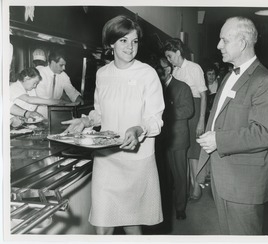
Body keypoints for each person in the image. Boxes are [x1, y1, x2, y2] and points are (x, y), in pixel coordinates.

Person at [61, 15, 165, 235]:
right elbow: (100, 112)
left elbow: (155, 118)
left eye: (134, 41)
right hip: (107, 159)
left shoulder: (147, 74)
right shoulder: (102, 74)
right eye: (123, 40)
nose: (130, 47)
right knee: (103, 223)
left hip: (137, 160)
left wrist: (138, 129)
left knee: (131, 223)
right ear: (110, 43)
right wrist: (87, 120)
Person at [197, 16, 268, 235]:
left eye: (224, 40)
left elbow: (266, 133)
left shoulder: (266, 81)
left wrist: (218, 139)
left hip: (244, 185)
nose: (218, 46)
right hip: (223, 177)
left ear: (242, 43)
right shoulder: (228, 76)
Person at [163, 38, 207, 201]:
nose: (169, 60)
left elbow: (203, 95)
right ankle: (187, 185)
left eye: (170, 56)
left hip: (195, 110)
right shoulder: (175, 71)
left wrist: (202, 120)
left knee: (194, 152)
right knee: (185, 152)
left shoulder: (194, 68)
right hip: (181, 114)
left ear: (178, 52)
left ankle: (197, 186)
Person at [156, 57, 194, 220]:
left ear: (169, 69)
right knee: (163, 175)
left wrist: (166, 113)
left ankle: (180, 207)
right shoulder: (156, 86)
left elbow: (188, 110)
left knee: (179, 175)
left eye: (162, 69)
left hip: (177, 138)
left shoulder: (182, 87)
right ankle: (165, 207)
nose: (159, 72)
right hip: (161, 138)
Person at [35, 48, 84, 117]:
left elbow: (71, 91)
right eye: (61, 65)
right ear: (52, 62)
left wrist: (79, 101)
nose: (64, 68)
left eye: (64, 65)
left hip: (57, 112)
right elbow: (45, 100)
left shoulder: (63, 75)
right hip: (41, 113)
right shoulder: (40, 74)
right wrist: (68, 104)